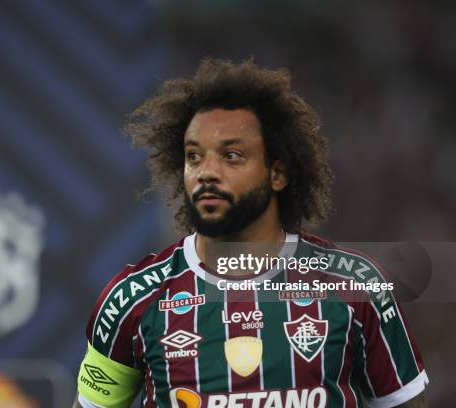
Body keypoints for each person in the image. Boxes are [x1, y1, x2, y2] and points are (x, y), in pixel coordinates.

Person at [72, 58, 428, 408]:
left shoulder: (355, 284)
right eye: (194, 157)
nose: (206, 173)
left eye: (231, 156)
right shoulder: (131, 299)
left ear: (278, 173)